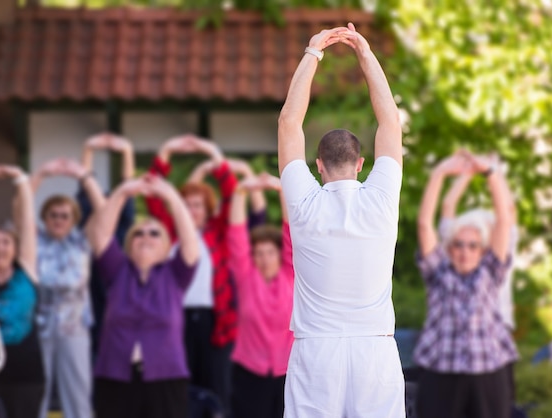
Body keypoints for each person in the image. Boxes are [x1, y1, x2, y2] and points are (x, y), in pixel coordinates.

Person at [278, 23, 405, 417]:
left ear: (317, 166)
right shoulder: (381, 198)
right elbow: (390, 124)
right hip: (375, 349)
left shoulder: (303, 203)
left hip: (317, 350)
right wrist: (365, 55)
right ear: (361, 164)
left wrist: (313, 51)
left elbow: (288, 123)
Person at [87, 175, 200, 418]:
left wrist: (171, 196)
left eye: (154, 233)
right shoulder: (117, 269)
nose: (146, 236)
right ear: (129, 243)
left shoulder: (176, 274)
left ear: (167, 245)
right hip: (115, 374)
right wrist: (122, 192)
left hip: (166, 375)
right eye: (139, 233)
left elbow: (191, 243)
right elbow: (101, 236)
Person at [415, 152, 517, 418]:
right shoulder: (438, 271)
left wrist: (491, 173)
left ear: (482, 249)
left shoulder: (491, 271)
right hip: (441, 372)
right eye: (458, 244)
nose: (465, 250)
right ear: (449, 248)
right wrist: (439, 174)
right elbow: (425, 224)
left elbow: (504, 220)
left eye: (472, 245)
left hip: (487, 372)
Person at [146, 134, 238, 409]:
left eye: (197, 205)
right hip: (175, 318)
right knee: (178, 386)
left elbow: (232, 194)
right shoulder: (170, 232)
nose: (192, 210)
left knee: (216, 387)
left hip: (214, 320)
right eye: (186, 204)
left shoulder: (218, 232)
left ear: (207, 208)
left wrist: (213, 152)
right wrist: (165, 151)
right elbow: (153, 194)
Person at [439, 154, 519, 399]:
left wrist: (492, 172)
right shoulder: (454, 254)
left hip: (494, 340)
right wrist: (468, 173)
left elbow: (508, 212)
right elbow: (448, 208)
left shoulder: (498, 259)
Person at [32, 158, 105, 418]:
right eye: (53, 215)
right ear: (45, 217)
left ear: (74, 218)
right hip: (40, 325)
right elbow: (20, 206)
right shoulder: (34, 240)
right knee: (36, 392)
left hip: (74, 326)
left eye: (65, 215)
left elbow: (104, 212)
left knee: (78, 392)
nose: (59, 220)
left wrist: (85, 178)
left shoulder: (82, 240)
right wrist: (41, 174)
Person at [0, 163, 45, 418]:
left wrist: (20, 180)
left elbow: (27, 224)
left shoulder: (26, 271)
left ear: (16, 247)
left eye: (6, 241)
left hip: (26, 375)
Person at [228, 173, 293, 418]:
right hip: (248, 372)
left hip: (287, 372)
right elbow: (236, 234)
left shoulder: (290, 274)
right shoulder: (246, 276)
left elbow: (290, 232)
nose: (264, 259)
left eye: (269, 252)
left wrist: (281, 190)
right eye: (258, 253)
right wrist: (240, 191)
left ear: (279, 254)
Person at [76, 133, 136, 356]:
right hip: (88, 287)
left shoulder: (123, 227)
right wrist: (88, 149)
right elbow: (84, 185)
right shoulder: (86, 224)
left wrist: (127, 151)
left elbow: (128, 188)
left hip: (116, 285)